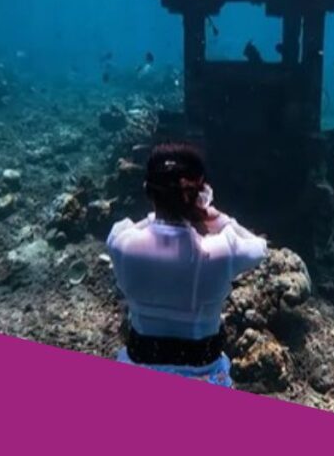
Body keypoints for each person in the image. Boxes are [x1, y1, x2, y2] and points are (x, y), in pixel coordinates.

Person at [106, 143, 268, 386]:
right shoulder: (222, 251)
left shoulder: (121, 243)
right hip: (205, 374)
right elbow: (259, 247)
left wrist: (160, 213)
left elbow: (137, 226)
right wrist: (221, 220)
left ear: (148, 192)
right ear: (201, 194)